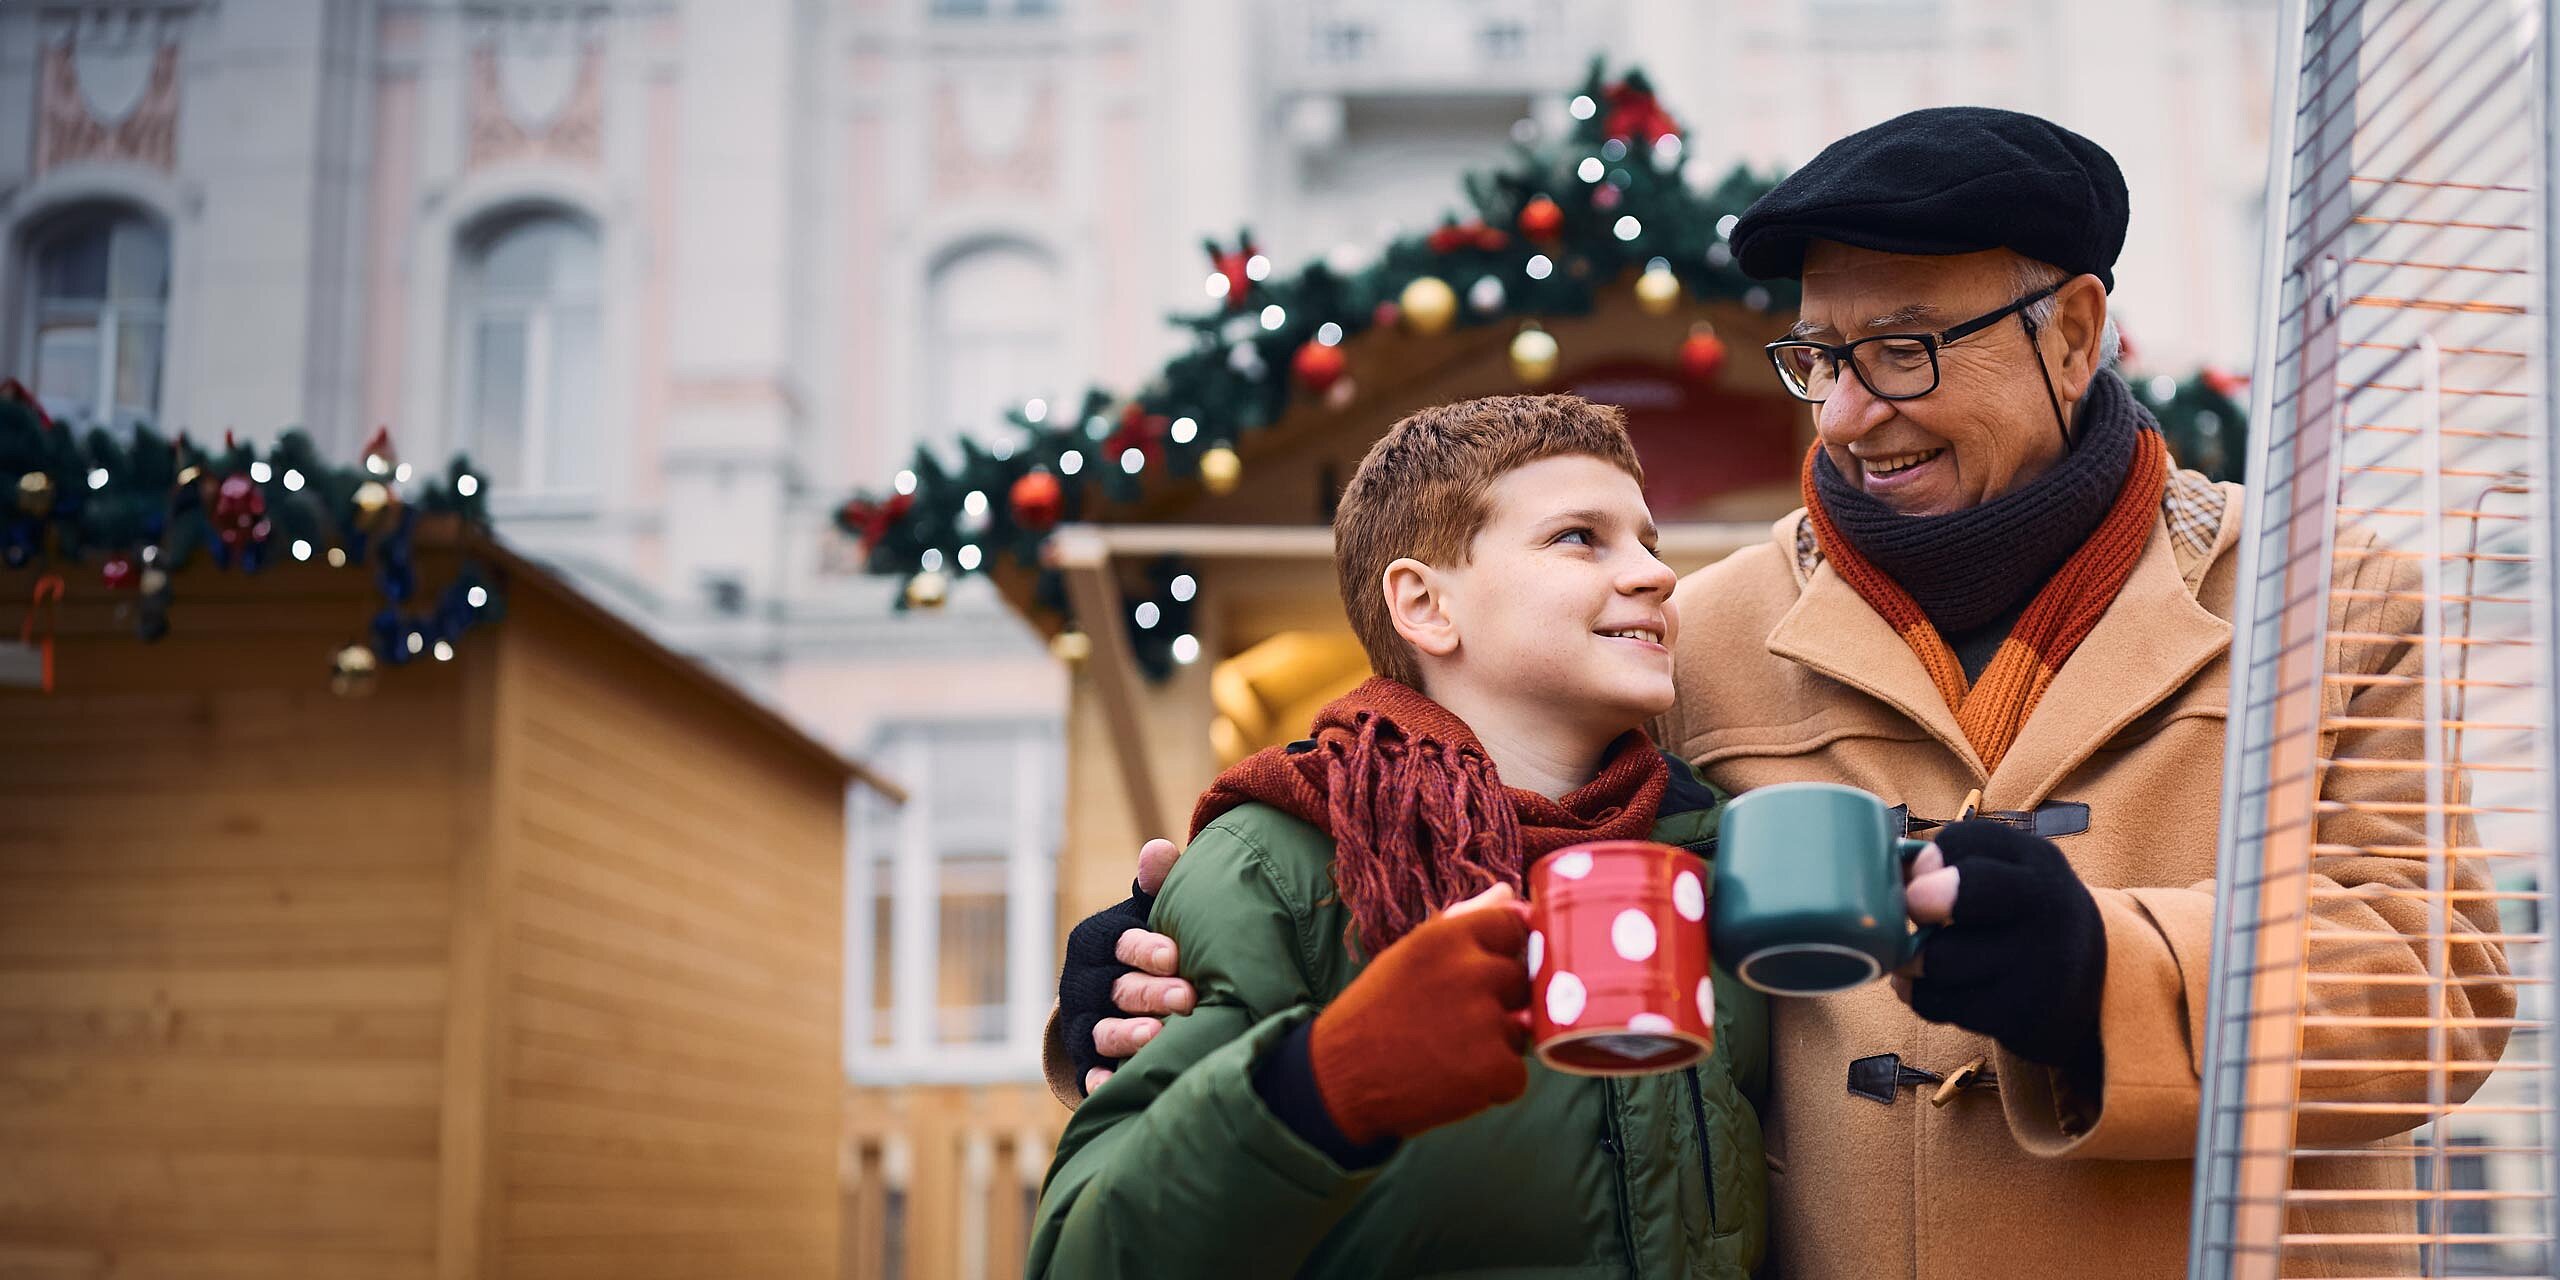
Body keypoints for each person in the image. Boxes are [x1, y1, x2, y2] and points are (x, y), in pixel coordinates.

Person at [1048, 107, 2513, 1277]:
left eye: (1904, 351)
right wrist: (1188, 973)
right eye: (1819, 356)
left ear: (2073, 333)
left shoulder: (2327, 596)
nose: (1852, 412)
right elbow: (1475, 814)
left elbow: (2440, 989)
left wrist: (2099, 975)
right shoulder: (1698, 634)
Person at [1027, 396, 1769, 1277]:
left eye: (1648, 542)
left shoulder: (1717, 852)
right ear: (1424, 604)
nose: (1655, 574)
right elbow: (1086, 1256)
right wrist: (1324, 1086)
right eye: (1580, 537)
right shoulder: (1279, 864)